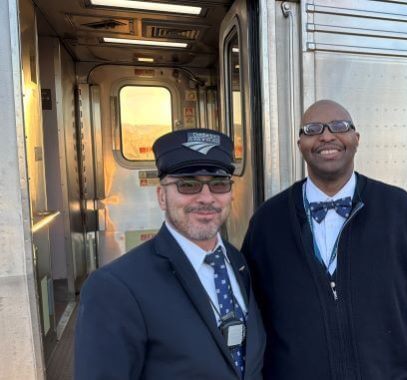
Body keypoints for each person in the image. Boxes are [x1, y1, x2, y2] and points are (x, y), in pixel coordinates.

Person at [242, 100, 407, 379]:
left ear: (356, 139)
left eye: (339, 126)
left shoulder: (400, 209)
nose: (327, 136)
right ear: (300, 143)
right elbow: (253, 316)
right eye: (312, 129)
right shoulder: (267, 221)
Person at [75, 129, 265, 380]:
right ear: (162, 196)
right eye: (188, 184)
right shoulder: (114, 288)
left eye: (219, 183)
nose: (206, 198)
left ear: (230, 193)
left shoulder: (239, 263)